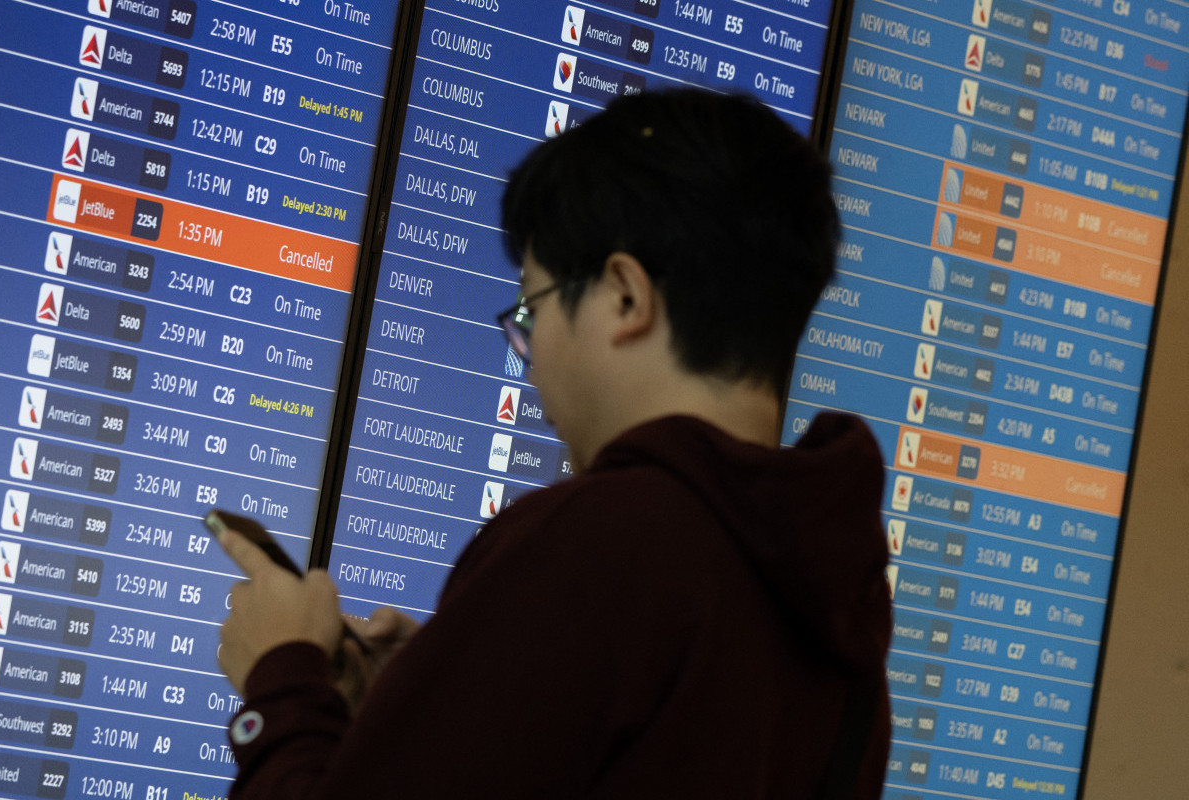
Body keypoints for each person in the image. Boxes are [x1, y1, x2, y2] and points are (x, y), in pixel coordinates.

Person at [216, 87, 892, 798]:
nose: (531, 362)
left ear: (625, 296)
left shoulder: (592, 544)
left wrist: (282, 679)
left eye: (532, 312)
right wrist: (440, 701)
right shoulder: (842, 627)